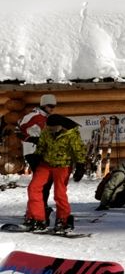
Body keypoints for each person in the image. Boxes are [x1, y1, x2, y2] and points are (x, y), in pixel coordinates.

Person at [26, 114, 87, 233]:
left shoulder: (71, 134)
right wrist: (37, 157)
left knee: (59, 193)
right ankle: (38, 219)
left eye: (53, 127)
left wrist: (80, 166)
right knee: (33, 188)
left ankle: (63, 220)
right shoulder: (47, 131)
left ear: (60, 126)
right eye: (49, 127)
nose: (50, 130)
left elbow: (78, 150)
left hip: (63, 166)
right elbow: (42, 145)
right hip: (46, 164)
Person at [17, 94, 57, 223]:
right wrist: (31, 138)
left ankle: (40, 208)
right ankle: (36, 211)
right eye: (50, 106)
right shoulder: (35, 116)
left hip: (39, 152)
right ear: (44, 105)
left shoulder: (44, 118)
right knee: (41, 183)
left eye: (54, 107)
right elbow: (20, 127)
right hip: (34, 152)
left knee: (44, 182)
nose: (52, 109)